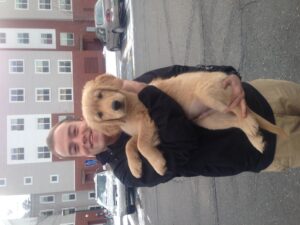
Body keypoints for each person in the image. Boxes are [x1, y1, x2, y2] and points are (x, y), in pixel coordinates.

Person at [47, 65, 300, 187]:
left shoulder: (119, 92)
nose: (81, 139)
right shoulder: (127, 170)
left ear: (80, 121)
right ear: (83, 155)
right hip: (258, 146)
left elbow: (178, 72)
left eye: (73, 132)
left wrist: (226, 74)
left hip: (253, 94)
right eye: (74, 148)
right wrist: (144, 92)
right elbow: (182, 144)